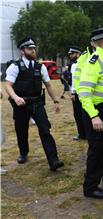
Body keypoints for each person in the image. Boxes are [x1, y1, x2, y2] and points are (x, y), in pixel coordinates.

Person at [5, 36, 64, 171]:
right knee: (21, 130)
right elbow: (8, 85)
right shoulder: (15, 67)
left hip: (37, 104)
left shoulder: (40, 67)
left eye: (34, 49)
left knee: (45, 130)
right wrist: (15, 97)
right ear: (22, 50)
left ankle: (53, 160)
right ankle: (23, 153)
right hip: (21, 104)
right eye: (30, 49)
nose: (33, 51)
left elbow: (48, 85)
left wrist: (56, 100)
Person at [78, 26, 103, 199]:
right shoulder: (94, 61)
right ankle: (90, 187)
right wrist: (94, 116)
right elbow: (84, 92)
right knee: (97, 150)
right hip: (97, 111)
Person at [67, 46, 86, 141]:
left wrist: (73, 92)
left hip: (78, 93)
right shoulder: (86, 63)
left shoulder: (75, 65)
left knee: (78, 114)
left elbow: (75, 81)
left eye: (72, 54)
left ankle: (82, 134)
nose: (70, 56)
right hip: (86, 92)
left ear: (78, 54)